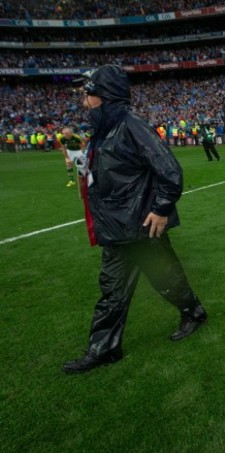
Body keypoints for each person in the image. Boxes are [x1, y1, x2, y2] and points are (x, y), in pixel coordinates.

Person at [62, 65, 208, 374]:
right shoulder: (104, 130)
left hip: (141, 226)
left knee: (165, 278)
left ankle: (193, 312)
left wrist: (161, 208)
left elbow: (170, 171)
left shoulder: (131, 125)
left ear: (105, 96)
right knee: (112, 291)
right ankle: (104, 349)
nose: (85, 100)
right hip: (115, 227)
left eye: (89, 94)